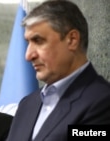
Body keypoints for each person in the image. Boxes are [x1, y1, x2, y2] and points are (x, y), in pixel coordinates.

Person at [6, 1, 110, 141]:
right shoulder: (27, 104)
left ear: (72, 40)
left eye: (38, 41)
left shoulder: (102, 101)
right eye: (28, 42)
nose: (28, 55)